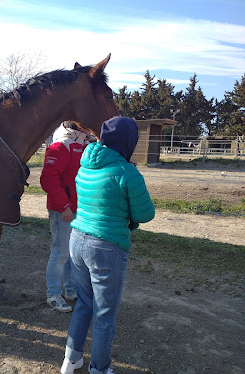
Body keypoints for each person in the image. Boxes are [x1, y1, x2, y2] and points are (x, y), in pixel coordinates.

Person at [60, 117, 155, 374]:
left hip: (77, 238)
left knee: (84, 303)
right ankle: (99, 368)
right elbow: (146, 213)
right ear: (128, 142)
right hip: (107, 247)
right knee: (104, 314)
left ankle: (71, 360)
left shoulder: (85, 164)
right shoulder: (127, 172)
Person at [40, 121, 90, 312]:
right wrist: (64, 206)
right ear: (78, 126)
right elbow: (48, 179)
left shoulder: (83, 144)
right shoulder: (61, 146)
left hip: (78, 208)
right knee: (60, 252)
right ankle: (52, 294)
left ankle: (70, 290)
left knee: (73, 253)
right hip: (64, 210)